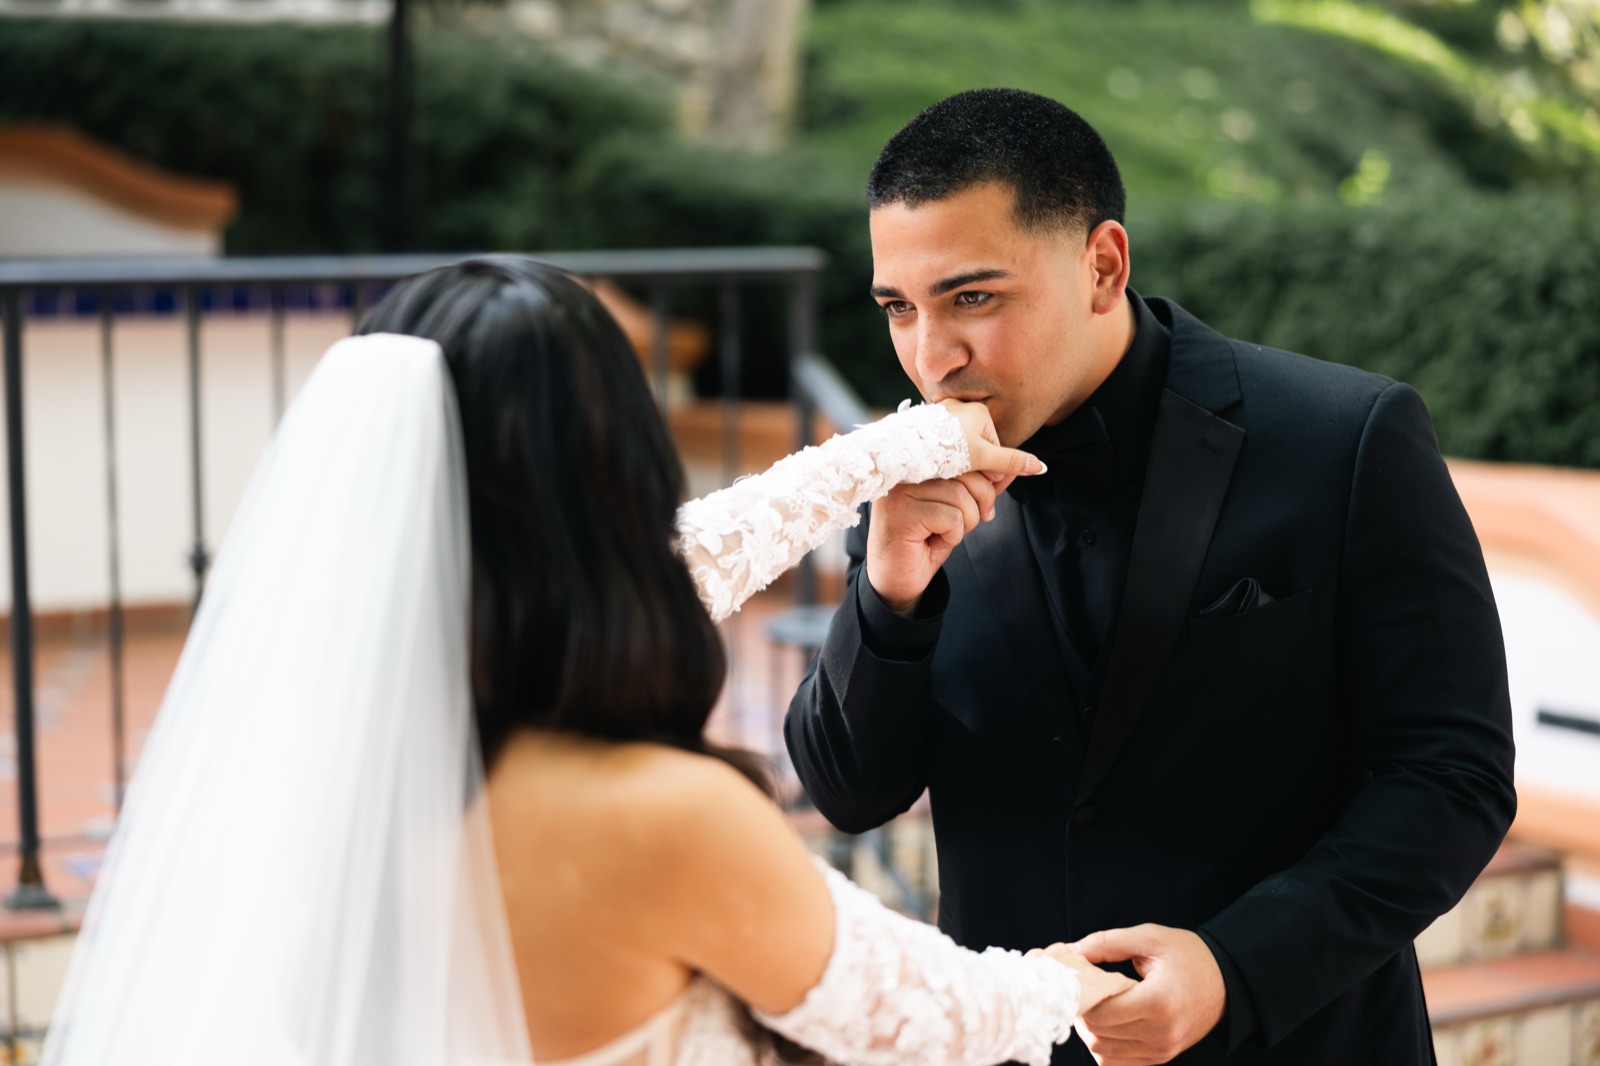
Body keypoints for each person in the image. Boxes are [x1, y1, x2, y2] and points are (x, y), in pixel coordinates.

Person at [40, 256, 1135, 1066]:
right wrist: (1069, 982)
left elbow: (690, 556)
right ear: (614, 467)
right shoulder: (657, 819)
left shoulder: (302, 738)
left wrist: (906, 445)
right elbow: (928, 1018)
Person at [785, 88, 1517, 1066]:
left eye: (972, 298)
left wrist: (1235, 968)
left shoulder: (1344, 439)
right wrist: (889, 595)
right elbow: (848, 792)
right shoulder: (905, 482)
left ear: (1103, 265)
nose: (932, 357)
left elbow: (1453, 776)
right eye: (898, 309)